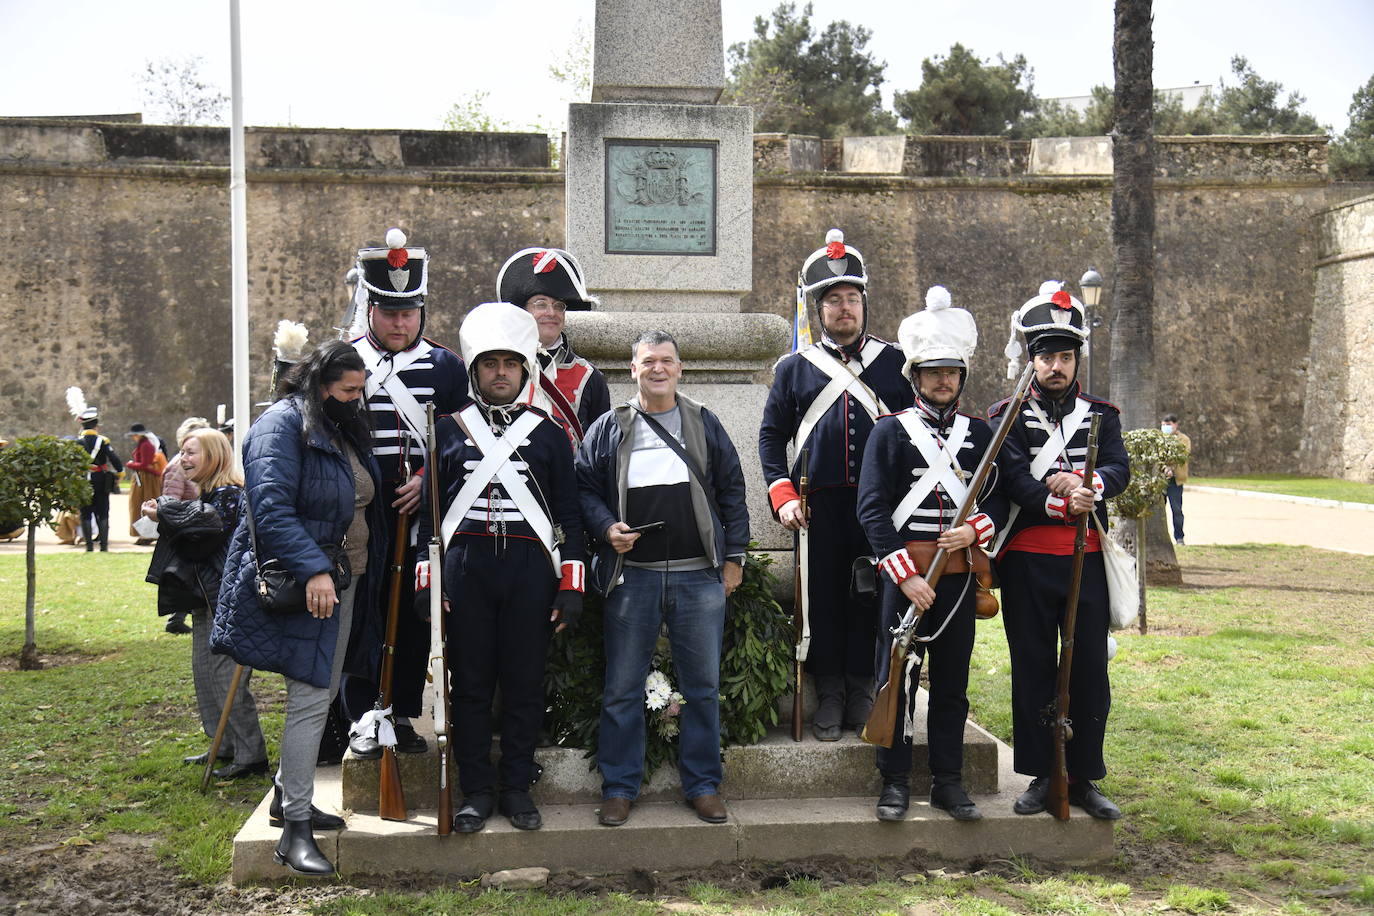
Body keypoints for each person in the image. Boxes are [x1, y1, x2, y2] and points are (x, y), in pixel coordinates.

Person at [212, 341, 387, 876]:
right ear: (319, 383)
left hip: (342, 579)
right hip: (312, 583)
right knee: (311, 699)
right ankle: (294, 833)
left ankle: (287, 798)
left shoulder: (333, 423)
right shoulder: (281, 426)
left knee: (323, 692)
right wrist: (313, 568)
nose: (356, 400)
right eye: (348, 390)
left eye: (360, 390)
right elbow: (269, 508)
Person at [416, 302, 585, 833]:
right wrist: (427, 584)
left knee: (523, 684)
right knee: (469, 687)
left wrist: (571, 584)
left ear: (524, 369)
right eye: (490, 364)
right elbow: (428, 519)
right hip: (465, 572)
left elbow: (569, 516)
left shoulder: (549, 433)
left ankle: (515, 787)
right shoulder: (447, 431)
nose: (501, 373)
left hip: (529, 573)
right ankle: (476, 791)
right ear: (475, 371)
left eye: (510, 364)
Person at [577, 330, 750, 828]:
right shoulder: (610, 426)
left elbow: (732, 488)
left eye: (667, 361)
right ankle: (619, 788)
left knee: (703, 687)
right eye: (648, 361)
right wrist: (606, 528)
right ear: (633, 369)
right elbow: (583, 487)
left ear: (679, 368)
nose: (658, 369)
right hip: (633, 578)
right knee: (622, 688)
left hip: (699, 577)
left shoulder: (703, 421)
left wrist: (734, 557)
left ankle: (703, 785)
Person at [857, 286, 1008, 822]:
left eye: (952, 372)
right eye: (933, 372)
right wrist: (906, 577)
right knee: (897, 679)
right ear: (915, 377)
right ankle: (895, 781)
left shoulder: (981, 435)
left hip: (960, 577)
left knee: (952, 685)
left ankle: (948, 781)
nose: (944, 380)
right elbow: (872, 510)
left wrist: (974, 532)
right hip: (907, 579)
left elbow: (1000, 501)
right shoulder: (889, 432)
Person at [758, 228, 911, 740]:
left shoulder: (896, 363)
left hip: (881, 507)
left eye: (852, 299)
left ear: (864, 304)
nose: (844, 309)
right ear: (818, 309)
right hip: (817, 507)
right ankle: (828, 692)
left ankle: (863, 688)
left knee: (873, 596)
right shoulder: (794, 369)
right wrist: (781, 494)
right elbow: (771, 436)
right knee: (820, 598)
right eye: (834, 300)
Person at [990, 281, 1131, 820]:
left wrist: (1090, 485)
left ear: (1076, 361)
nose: (1056, 367)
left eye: (1065, 357)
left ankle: (1083, 776)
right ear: (1032, 359)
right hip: (1028, 558)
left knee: (1088, 668)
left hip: (1085, 557)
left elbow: (1117, 467)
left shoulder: (1102, 414)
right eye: (1047, 357)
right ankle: (1040, 775)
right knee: (1033, 665)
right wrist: (1059, 502)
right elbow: (1009, 478)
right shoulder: (1006, 414)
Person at [344, 227, 470, 762]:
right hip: (361, 511)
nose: (400, 323)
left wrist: (428, 480)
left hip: (424, 508)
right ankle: (360, 715)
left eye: (409, 312)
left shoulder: (446, 367)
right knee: (362, 612)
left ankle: (399, 711)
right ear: (370, 309)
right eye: (390, 312)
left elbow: (463, 438)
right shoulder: (345, 361)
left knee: (416, 613)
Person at [143, 428, 267, 776]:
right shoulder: (210, 494)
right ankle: (222, 744)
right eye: (182, 452)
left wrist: (164, 511)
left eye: (191, 453)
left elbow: (205, 529)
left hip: (228, 601)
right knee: (204, 673)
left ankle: (251, 755)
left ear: (213, 456)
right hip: (205, 598)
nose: (183, 459)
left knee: (225, 677)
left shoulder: (230, 495)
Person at [496, 247, 611, 444]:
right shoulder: (495, 369)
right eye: (541, 304)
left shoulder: (589, 377)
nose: (551, 313)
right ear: (522, 312)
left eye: (559, 306)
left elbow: (601, 448)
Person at [159, 416, 212, 634]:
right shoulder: (177, 467)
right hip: (184, 531)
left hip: (193, 529)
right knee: (183, 575)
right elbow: (170, 499)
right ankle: (175, 618)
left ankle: (178, 617)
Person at [66, 391, 123, 552]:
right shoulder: (102, 441)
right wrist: (120, 474)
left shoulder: (77, 442)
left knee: (85, 513)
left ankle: (89, 547)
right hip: (101, 480)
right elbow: (115, 460)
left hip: (83, 480)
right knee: (103, 512)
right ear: (96, 425)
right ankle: (103, 547)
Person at [126, 424, 165, 544]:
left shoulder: (145, 445)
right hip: (142, 477)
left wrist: (131, 464)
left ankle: (149, 534)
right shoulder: (144, 444)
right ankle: (145, 533)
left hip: (146, 479)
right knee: (138, 503)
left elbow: (144, 464)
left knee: (144, 501)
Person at [1161, 413, 1191, 545]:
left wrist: (1171, 468)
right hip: (1160, 479)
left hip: (1175, 480)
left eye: (1168, 424)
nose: (1165, 427)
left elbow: (1182, 455)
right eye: (1163, 424)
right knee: (1159, 511)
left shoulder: (1184, 439)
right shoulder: (1159, 438)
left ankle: (1179, 537)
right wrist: (1164, 468)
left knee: (1176, 509)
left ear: (1176, 425)